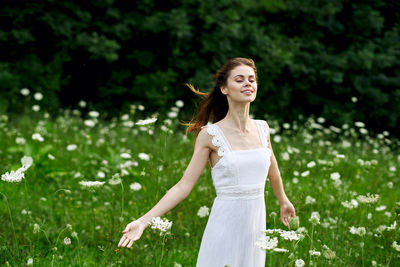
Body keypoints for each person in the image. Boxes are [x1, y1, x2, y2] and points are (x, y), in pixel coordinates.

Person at [117, 57, 296, 266]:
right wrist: (143, 221)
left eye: (252, 79)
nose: (248, 84)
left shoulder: (262, 128)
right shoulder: (210, 135)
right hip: (225, 224)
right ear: (224, 89)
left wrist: (283, 201)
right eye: (239, 80)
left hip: (255, 227)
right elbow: (183, 186)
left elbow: (272, 171)